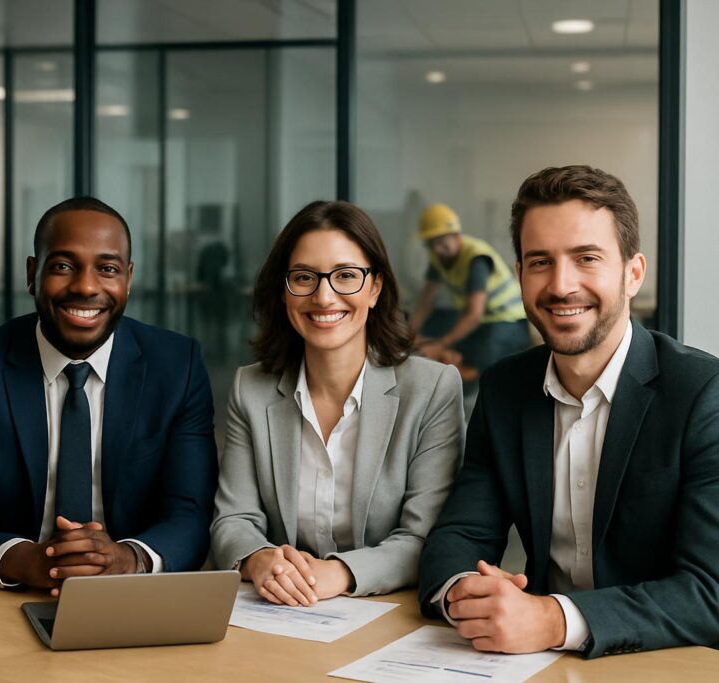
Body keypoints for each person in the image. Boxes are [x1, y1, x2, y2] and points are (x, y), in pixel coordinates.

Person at [418, 165, 719, 657]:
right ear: (518, 274)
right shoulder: (505, 388)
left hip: (657, 662)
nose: (560, 286)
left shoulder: (703, 393)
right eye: (540, 262)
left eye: (586, 258)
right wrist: (464, 596)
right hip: (532, 664)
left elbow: (711, 591)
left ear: (633, 273)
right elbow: (461, 533)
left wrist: (553, 619)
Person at [0, 197, 217, 592]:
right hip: (3, 597)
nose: (86, 286)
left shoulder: (178, 366)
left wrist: (129, 559)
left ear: (128, 278)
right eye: (62, 267)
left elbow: (191, 513)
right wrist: (25, 560)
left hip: (133, 596)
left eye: (107, 269)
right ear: (32, 274)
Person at [211, 200, 464, 606]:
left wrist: (341, 573)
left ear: (376, 287)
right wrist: (260, 560)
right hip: (281, 615)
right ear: (284, 290)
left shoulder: (431, 388)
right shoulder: (250, 388)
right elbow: (234, 519)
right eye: (304, 277)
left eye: (346, 276)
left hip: (387, 615)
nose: (324, 297)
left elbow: (427, 537)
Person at [409, 203, 529, 372]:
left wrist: (441, 344)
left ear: (456, 235)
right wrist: (410, 334)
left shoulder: (475, 258)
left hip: (508, 321)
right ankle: (457, 363)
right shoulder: (438, 257)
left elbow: (474, 315)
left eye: (441, 242)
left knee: (485, 361)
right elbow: (426, 300)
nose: (437, 249)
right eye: (431, 244)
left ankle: (472, 379)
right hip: (483, 320)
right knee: (438, 326)